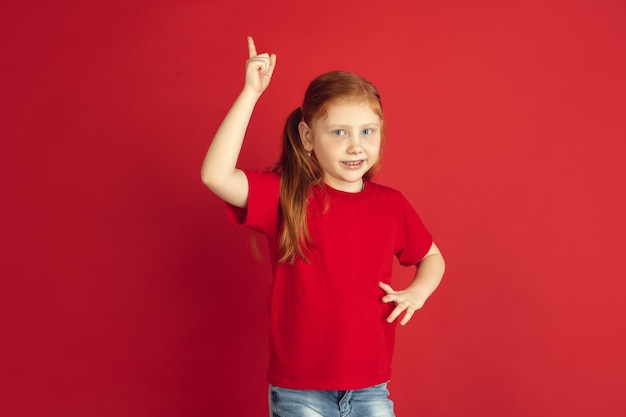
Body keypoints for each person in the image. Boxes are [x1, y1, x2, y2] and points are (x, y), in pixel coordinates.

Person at [201, 36, 445, 417]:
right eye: (339, 132)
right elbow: (215, 175)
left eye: (368, 131)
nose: (355, 146)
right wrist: (250, 93)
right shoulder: (285, 195)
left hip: (371, 387)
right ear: (308, 137)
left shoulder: (391, 204)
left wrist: (418, 293)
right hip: (301, 391)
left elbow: (432, 258)